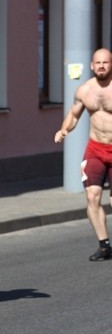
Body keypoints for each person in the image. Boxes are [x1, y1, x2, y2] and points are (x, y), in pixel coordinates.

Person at [54, 48, 112, 261]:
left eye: (105, 62)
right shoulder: (84, 90)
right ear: (91, 65)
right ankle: (104, 246)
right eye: (98, 62)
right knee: (92, 196)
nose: (101, 66)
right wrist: (63, 130)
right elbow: (73, 114)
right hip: (95, 149)